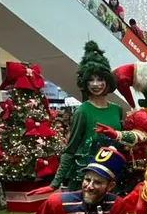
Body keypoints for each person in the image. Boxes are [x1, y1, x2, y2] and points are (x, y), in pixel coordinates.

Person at [36, 42, 129, 194]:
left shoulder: (117, 109)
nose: (96, 84)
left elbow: (122, 141)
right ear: (84, 83)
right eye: (90, 80)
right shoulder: (82, 111)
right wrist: (55, 183)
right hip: (89, 177)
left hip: (114, 173)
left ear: (107, 81)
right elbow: (71, 149)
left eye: (100, 79)